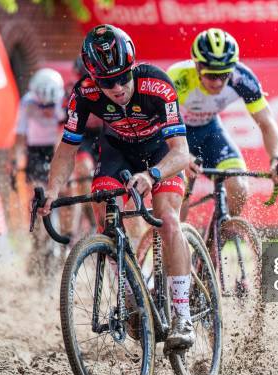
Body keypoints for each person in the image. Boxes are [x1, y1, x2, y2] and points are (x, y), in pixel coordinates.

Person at [38, 25, 194, 350]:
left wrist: (152, 175)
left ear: (133, 66)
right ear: (94, 78)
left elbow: (181, 153)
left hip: (159, 153)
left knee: (167, 220)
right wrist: (52, 191)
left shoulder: (157, 85)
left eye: (123, 77)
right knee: (105, 213)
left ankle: (182, 315)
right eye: (107, 82)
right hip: (117, 151)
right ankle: (131, 293)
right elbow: (67, 149)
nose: (118, 87)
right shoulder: (84, 94)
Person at [166, 28, 278, 218]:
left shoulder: (243, 78)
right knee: (178, 204)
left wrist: (277, 159)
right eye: (212, 75)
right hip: (175, 135)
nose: (218, 82)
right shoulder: (177, 78)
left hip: (210, 131)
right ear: (197, 66)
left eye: (224, 75)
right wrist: (182, 156)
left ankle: (215, 244)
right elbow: (159, 124)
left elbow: (267, 123)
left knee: (238, 187)